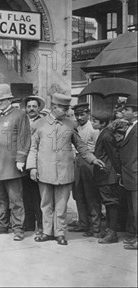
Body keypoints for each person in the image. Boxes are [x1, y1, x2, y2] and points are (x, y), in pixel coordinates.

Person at [27, 93, 106, 246]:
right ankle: (47, 232)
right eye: (64, 108)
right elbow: (33, 148)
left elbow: (81, 146)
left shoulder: (70, 124)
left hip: (65, 172)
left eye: (67, 108)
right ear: (54, 107)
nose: (67, 111)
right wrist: (32, 167)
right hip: (44, 171)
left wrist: (93, 159)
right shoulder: (39, 124)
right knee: (46, 204)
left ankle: (60, 233)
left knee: (61, 205)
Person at [0, 84, 30, 241]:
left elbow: (24, 139)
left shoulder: (19, 115)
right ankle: (2, 225)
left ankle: (18, 229)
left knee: (16, 200)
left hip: (11, 165)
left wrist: (20, 159)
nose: (0, 103)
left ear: (10, 99)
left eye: (3, 99)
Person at [68, 102, 102, 237]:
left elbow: (98, 148)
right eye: (77, 115)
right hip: (76, 161)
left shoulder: (93, 129)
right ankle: (83, 223)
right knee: (78, 193)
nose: (79, 117)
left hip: (89, 161)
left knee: (91, 194)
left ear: (87, 114)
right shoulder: (75, 127)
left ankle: (96, 227)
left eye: (82, 114)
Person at [91, 110, 122, 244]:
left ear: (103, 123)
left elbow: (114, 155)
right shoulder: (104, 133)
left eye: (95, 121)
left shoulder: (106, 136)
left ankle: (112, 233)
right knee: (108, 202)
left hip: (107, 174)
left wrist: (118, 172)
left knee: (111, 203)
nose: (92, 123)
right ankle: (110, 230)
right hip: (104, 174)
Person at [21, 95, 46, 235]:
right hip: (24, 163)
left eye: (34, 106)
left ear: (39, 108)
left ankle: (41, 225)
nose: (31, 109)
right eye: (29, 106)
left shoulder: (43, 122)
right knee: (26, 195)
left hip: (38, 163)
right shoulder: (23, 121)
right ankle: (29, 223)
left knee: (38, 196)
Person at [118, 97, 137, 250]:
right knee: (133, 209)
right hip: (129, 175)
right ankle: (135, 237)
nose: (123, 111)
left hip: (135, 175)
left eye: (127, 110)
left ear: (136, 113)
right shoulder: (129, 127)